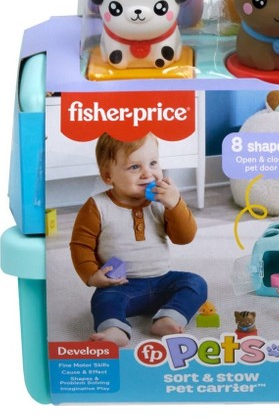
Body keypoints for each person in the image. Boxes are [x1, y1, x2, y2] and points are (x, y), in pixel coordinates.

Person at [70, 132, 207, 346]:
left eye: (153, 163)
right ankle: (114, 330)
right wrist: (92, 275)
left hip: (163, 280)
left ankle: (169, 317)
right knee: (103, 299)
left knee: (195, 283)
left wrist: (175, 204)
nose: (147, 174)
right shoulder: (97, 206)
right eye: (135, 167)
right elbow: (81, 245)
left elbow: (184, 238)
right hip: (121, 285)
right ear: (108, 176)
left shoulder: (162, 202)